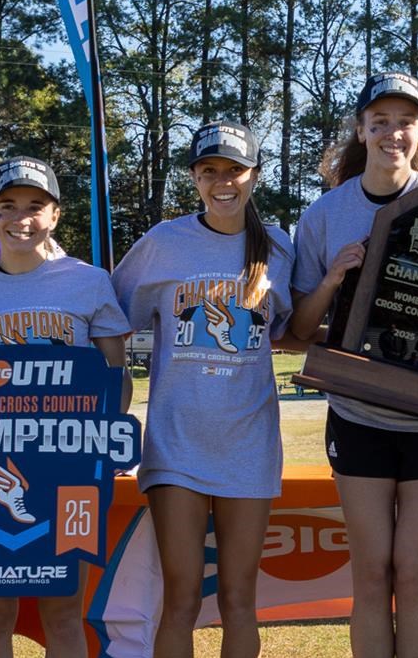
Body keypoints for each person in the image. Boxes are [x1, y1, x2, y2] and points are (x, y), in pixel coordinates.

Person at [289, 72, 418, 658]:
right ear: (361, 129)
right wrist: (333, 279)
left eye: (405, 122)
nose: (392, 133)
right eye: (380, 121)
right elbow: (298, 331)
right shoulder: (325, 214)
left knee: (414, 576)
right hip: (357, 417)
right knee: (371, 575)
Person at [0, 155, 130, 658]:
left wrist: (105, 441)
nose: (21, 217)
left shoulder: (89, 281)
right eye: (7, 206)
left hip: (70, 469)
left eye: (35, 206)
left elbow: (115, 376)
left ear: (55, 215)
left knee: (63, 610)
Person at [112, 122, 294, 658]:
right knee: (182, 599)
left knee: (240, 599)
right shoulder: (163, 242)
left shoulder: (279, 247)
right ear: (194, 178)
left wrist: (331, 285)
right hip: (176, 444)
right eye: (209, 170)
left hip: (249, 444)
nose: (222, 181)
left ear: (254, 176)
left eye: (234, 170)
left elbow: (295, 330)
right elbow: (108, 320)